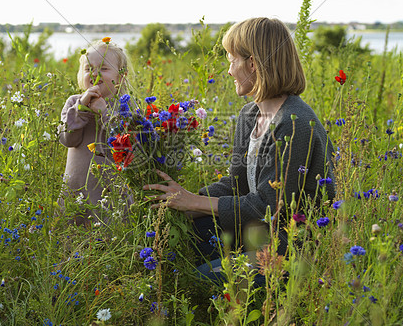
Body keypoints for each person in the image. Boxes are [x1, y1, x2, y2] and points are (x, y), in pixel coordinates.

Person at [143, 17, 335, 283]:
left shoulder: (295, 124)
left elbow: (270, 207)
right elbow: (237, 183)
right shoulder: (250, 114)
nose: (229, 70)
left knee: (199, 279)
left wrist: (196, 202)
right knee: (178, 243)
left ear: (253, 64)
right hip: (255, 228)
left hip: (289, 244)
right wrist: (186, 202)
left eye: (232, 60)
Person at [58, 39, 131, 225]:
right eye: (89, 69)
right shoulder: (73, 102)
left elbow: (125, 144)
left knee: (110, 233)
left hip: (110, 191)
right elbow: (67, 139)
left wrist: (104, 113)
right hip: (76, 189)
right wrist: (81, 108)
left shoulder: (124, 105)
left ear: (121, 76)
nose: (95, 74)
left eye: (104, 69)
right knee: (73, 237)